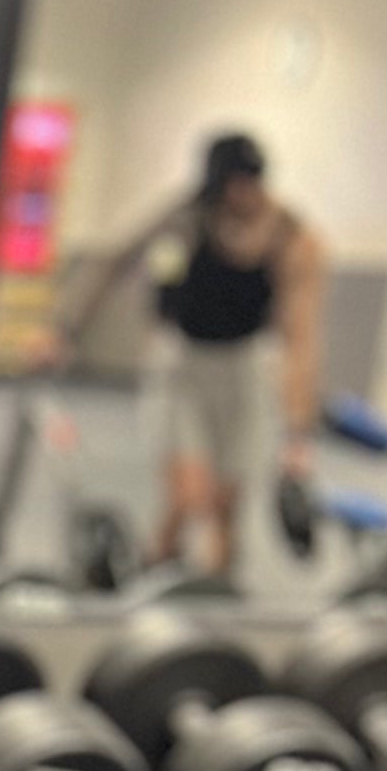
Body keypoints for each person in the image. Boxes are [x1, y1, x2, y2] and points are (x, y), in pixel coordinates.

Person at [57, 130, 325, 577]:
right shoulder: (186, 217)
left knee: (224, 504)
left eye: (246, 186)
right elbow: (111, 261)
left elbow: (302, 336)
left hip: (243, 371)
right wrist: (64, 329)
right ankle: (156, 567)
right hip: (183, 366)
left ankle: (216, 593)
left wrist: (299, 430)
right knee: (189, 496)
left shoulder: (291, 238)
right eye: (228, 189)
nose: (238, 197)